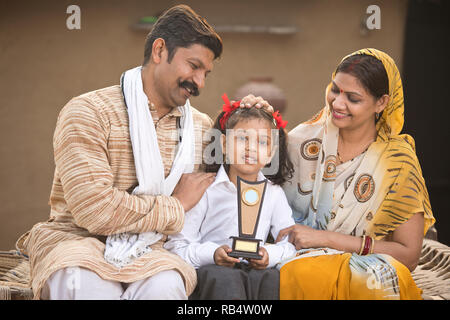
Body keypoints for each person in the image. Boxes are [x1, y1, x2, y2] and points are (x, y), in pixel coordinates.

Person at [15, 5, 271, 300]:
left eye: (206, 73)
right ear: (160, 50)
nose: (199, 82)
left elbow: (252, 172)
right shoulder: (88, 113)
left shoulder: (201, 129)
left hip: (156, 252)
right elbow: (95, 211)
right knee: (86, 287)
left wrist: (252, 118)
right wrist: (176, 205)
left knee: (166, 287)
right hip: (78, 244)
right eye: (193, 66)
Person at [276, 48, 435, 300]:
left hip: (366, 267)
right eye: (335, 89)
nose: (338, 103)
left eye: (353, 98)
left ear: (381, 103)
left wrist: (326, 239)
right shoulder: (301, 143)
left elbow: (409, 255)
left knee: (377, 283)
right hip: (297, 259)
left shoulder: (396, 162)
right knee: (299, 273)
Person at [165, 94, 296, 300]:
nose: (251, 147)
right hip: (215, 274)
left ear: (271, 153)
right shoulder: (205, 189)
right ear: (224, 144)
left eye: (262, 142)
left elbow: (289, 243)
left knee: (272, 278)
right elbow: (177, 246)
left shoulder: (273, 193)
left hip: (256, 273)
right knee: (225, 279)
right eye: (243, 138)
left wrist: (269, 256)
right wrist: (213, 254)